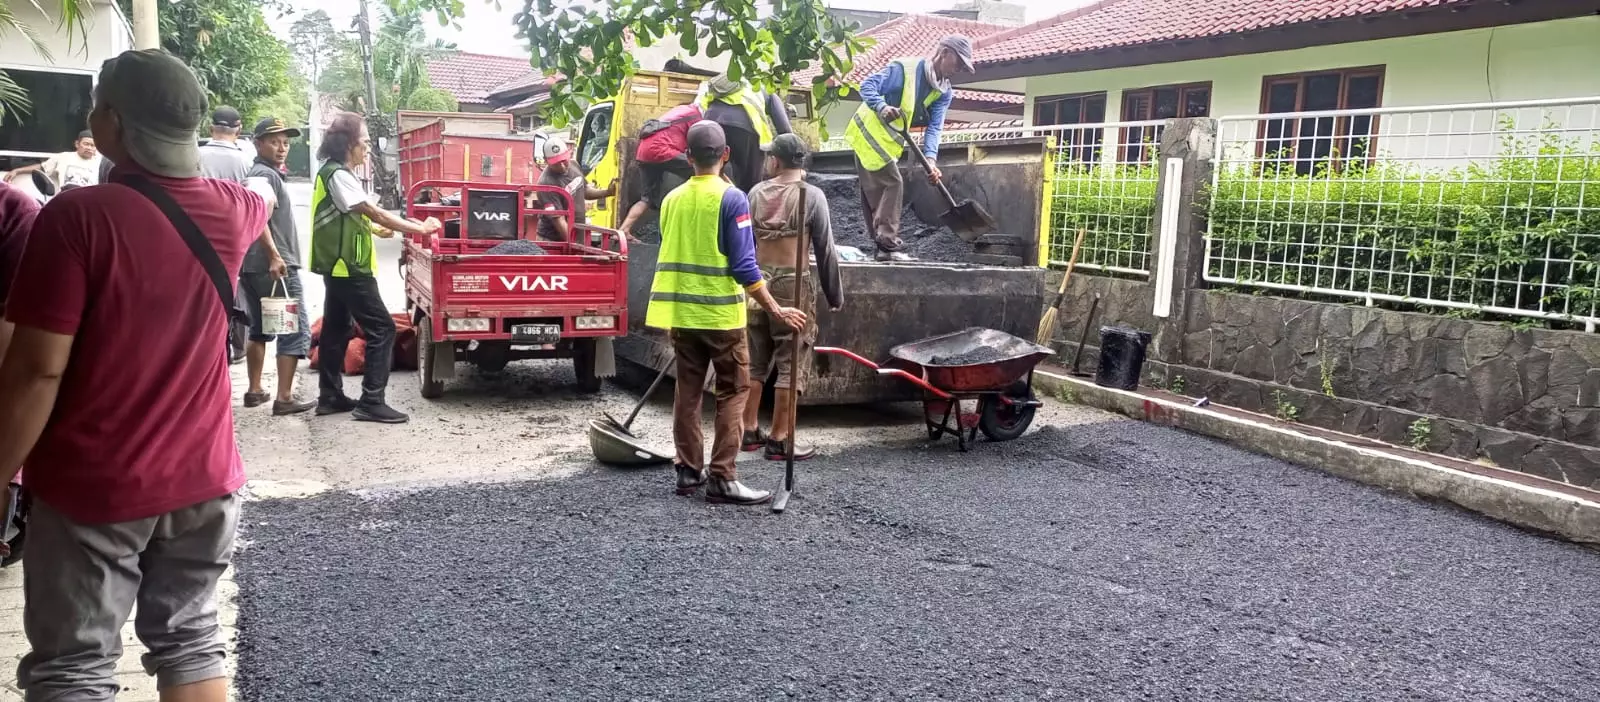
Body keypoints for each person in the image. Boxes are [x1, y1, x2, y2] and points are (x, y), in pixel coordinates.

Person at [0, 49, 283, 702]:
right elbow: (260, 196)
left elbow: (36, 372)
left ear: (111, 125)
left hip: (94, 491)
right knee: (190, 639)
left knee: (73, 668)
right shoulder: (236, 211)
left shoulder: (75, 220)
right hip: (205, 483)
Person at [647, 121, 806, 506]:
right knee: (733, 393)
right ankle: (722, 477)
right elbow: (744, 266)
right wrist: (775, 307)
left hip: (682, 316)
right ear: (726, 155)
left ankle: (688, 470)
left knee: (687, 393)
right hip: (721, 320)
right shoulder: (732, 199)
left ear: (688, 157)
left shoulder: (672, 200)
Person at [311, 112, 442, 424]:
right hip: (349, 268)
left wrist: (371, 229)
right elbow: (375, 212)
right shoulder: (338, 175)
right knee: (382, 328)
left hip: (340, 265)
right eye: (365, 141)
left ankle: (330, 395)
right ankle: (372, 400)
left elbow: (352, 216)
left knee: (337, 328)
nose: (368, 147)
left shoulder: (334, 173)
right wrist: (419, 228)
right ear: (348, 143)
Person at [740, 134, 844, 461]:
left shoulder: (755, 193)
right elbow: (825, 250)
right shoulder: (811, 196)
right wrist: (834, 294)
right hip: (792, 285)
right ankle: (781, 438)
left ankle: (748, 429)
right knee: (791, 360)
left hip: (757, 283)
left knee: (755, 360)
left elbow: (743, 241)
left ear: (776, 160)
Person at [848, 34, 975, 262]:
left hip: (889, 140)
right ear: (944, 52)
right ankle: (888, 245)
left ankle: (879, 247)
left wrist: (931, 161)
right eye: (959, 62)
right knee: (893, 183)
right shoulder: (904, 70)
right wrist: (881, 106)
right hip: (868, 132)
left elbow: (935, 128)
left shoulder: (943, 91)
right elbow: (867, 85)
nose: (959, 69)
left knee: (874, 192)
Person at [240, 117, 316, 416]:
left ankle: (255, 390)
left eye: (285, 142)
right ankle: (284, 398)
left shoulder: (265, 173)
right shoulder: (263, 175)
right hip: (273, 267)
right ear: (258, 144)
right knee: (293, 330)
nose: (282, 148)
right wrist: (274, 254)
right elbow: (257, 214)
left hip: (255, 265)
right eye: (274, 141)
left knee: (259, 328)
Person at [198, 106, 253, 364]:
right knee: (235, 288)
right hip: (235, 236)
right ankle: (237, 347)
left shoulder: (195, 156)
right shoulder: (245, 161)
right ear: (239, 129)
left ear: (211, 128)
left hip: (197, 235)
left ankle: (211, 348)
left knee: (205, 294)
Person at [616, 103, 702, 240]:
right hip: (661, 149)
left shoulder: (680, 110)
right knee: (701, 168)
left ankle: (623, 230)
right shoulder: (696, 116)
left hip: (644, 152)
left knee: (646, 199)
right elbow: (698, 143)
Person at [697, 75, 793, 193]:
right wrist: (791, 149)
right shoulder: (768, 92)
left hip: (713, 123)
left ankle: (723, 202)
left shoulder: (729, 87)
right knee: (751, 179)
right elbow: (784, 127)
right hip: (743, 126)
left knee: (718, 172)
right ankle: (747, 207)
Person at [535, 139, 615, 242]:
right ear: (546, 161)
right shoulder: (546, 183)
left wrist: (608, 192)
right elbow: (559, 221)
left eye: (564, 161)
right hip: (553, 241)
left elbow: (585, 190)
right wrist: (573, 245)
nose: (562, 166)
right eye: (556, 164)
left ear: (569, 154)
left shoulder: (574, 165)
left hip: (576, 233)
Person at [2, 130, 102, 190]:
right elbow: (42, 167)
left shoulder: (101, 163)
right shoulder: (64, 157)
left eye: (93, 145)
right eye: (86, 144)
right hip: (65, 201)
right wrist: (17, 170)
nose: (89, 148)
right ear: (77, 144)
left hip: (89, 204)